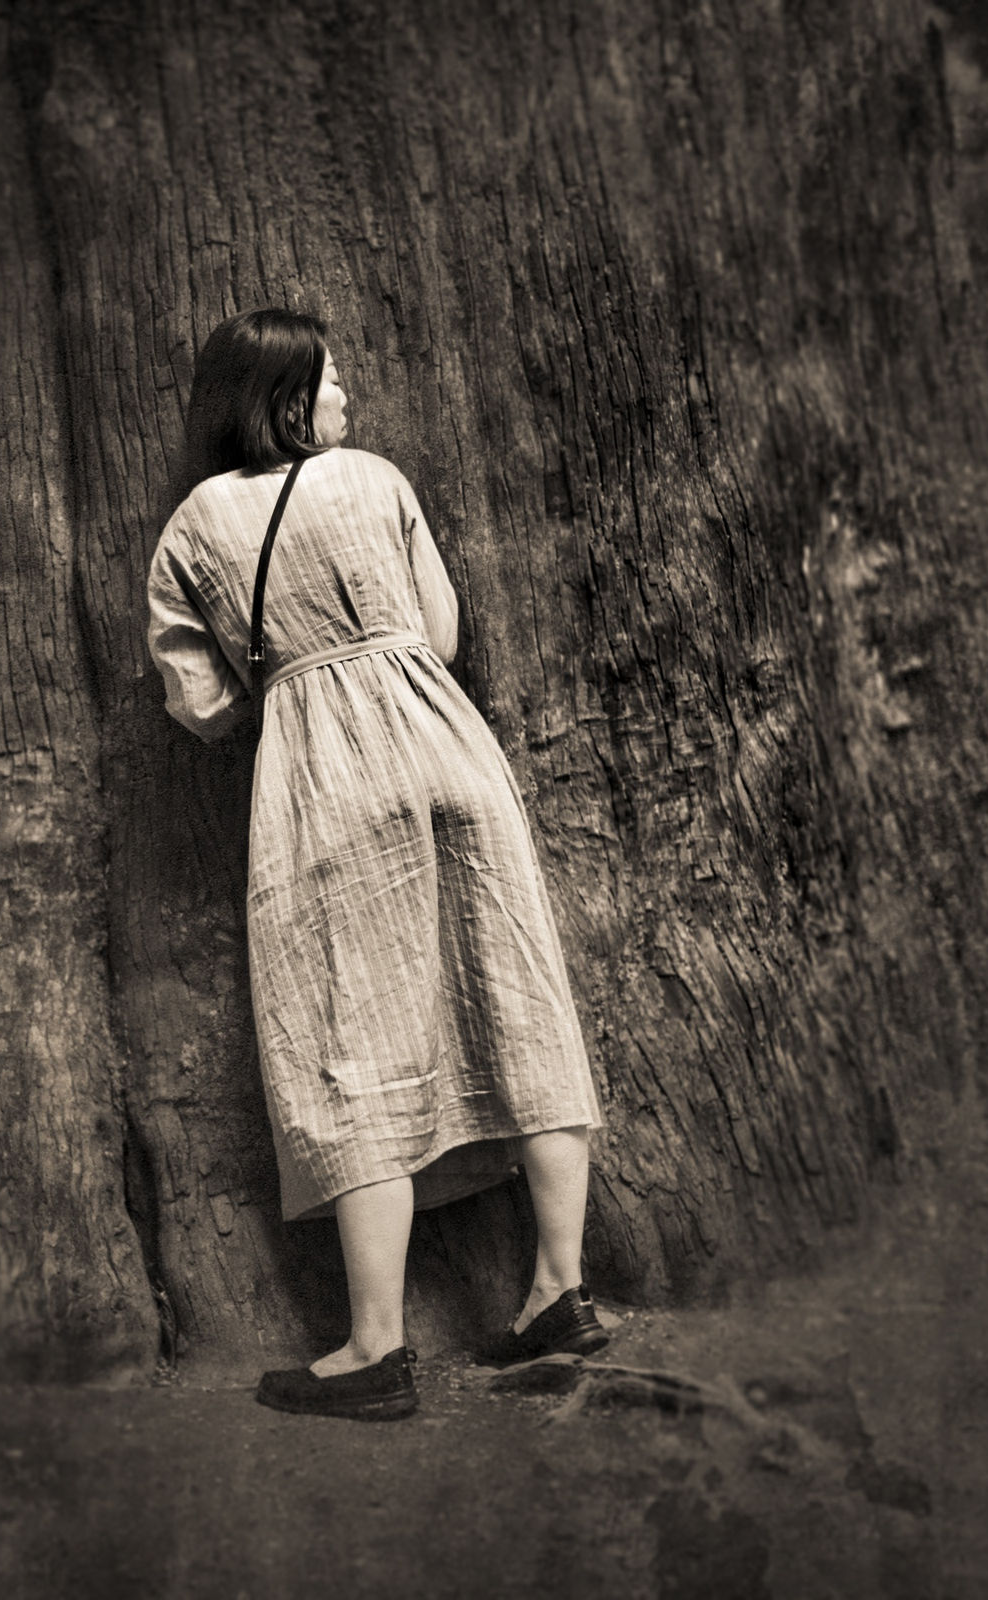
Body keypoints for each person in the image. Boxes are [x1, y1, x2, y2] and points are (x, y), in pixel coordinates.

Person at [146, 309, 607, 1420]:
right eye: (333, 380)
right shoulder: (375, 478)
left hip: (322, 781)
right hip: (448, 747)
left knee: (349, 1039)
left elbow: (200, 706)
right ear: (289, 399)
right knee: (517, 993)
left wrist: (292, 678)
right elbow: (439, 632)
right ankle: (557, 1288)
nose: (349, 397)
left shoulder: (191, 527)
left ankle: (376, 1347)